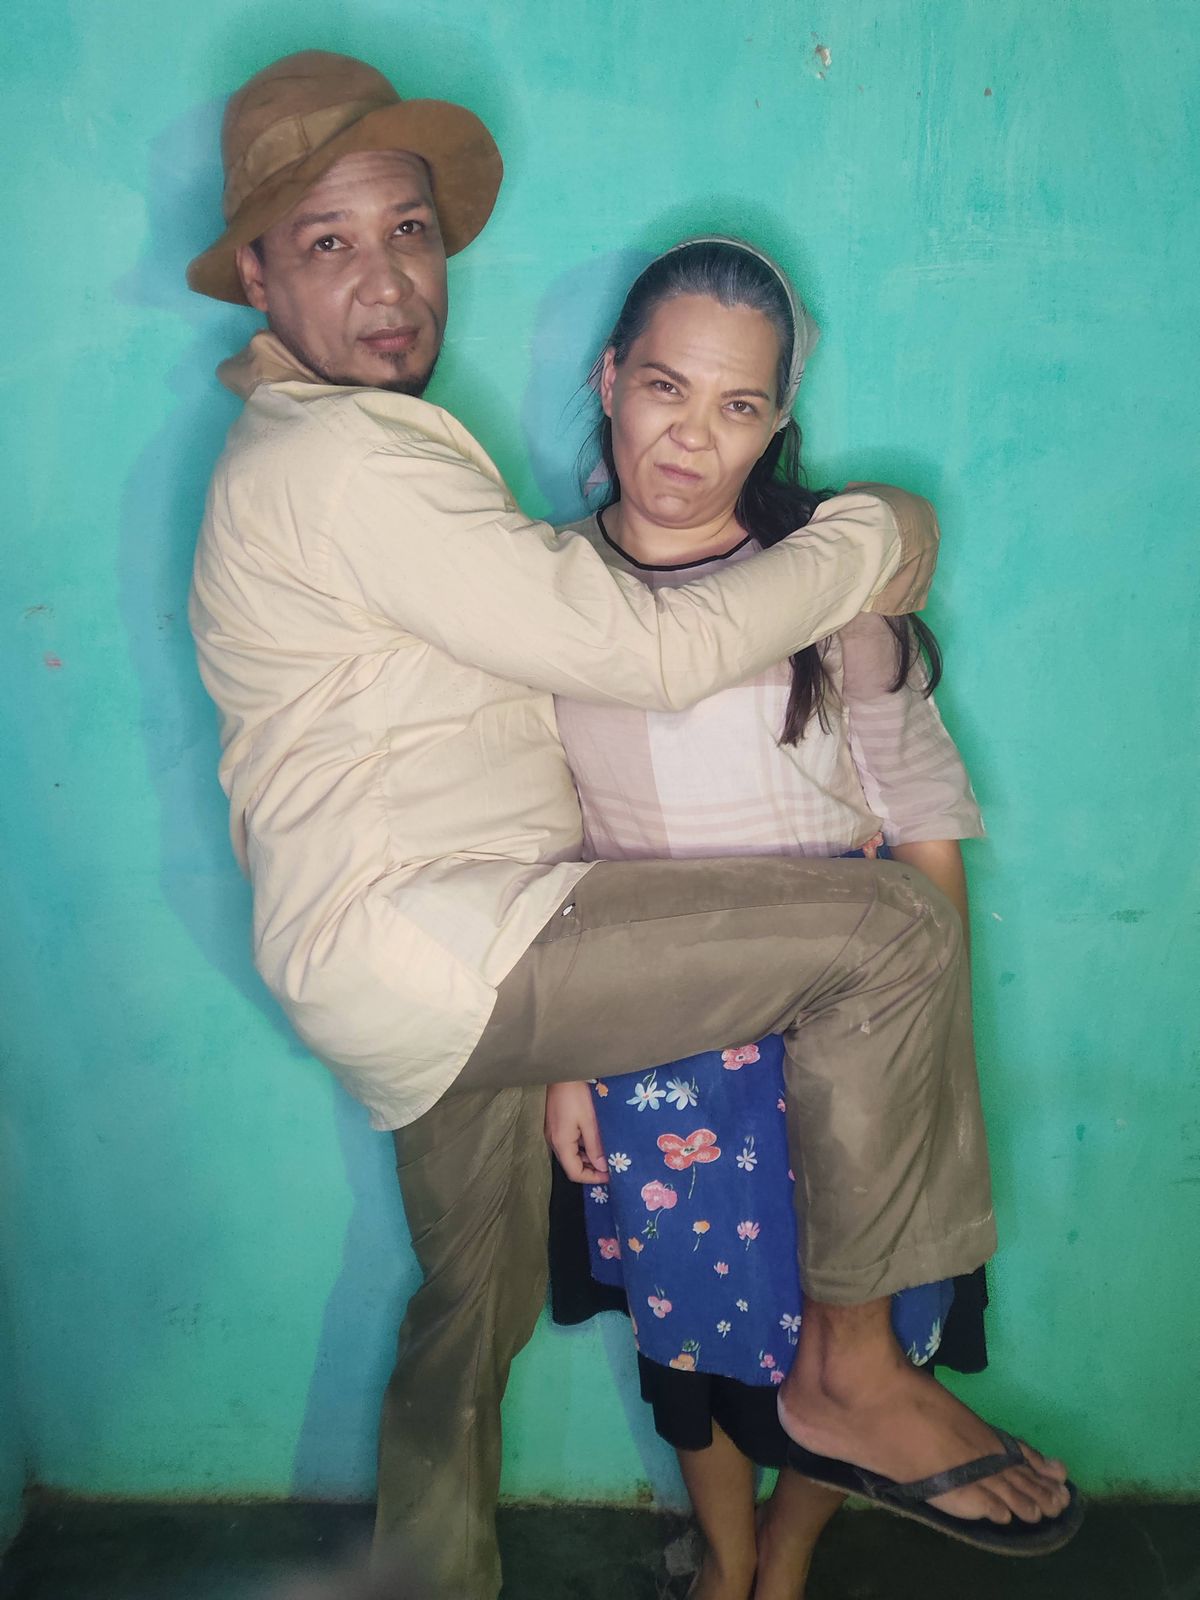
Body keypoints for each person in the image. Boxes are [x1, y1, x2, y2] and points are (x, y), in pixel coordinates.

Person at [186, 49, 1075, 1600]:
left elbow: (546, 731)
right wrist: (872, 532)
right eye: (327, 242)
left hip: (434, 964)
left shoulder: (354, 455)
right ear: (255, 274)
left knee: (467, 1314)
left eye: (409, 231)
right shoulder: (341, 463)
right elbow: (650, 656)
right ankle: (851, 1375)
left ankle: (426, 1580)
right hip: (454, 944)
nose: (387, 281)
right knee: (890, 939)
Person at [544, 237, 997, 1599]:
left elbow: (922, 820)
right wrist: (563, 1057)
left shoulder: (830, 588)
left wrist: (930, 1046)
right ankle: (727, 1562)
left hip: (838, 1039)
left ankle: (787, 1558)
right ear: (609, 378)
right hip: (652, 1048)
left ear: (776, 422)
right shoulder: (540, 597)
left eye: (737, 406)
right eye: (665, 388)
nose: (694, 438)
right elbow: (533, 847)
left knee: (850, 1340)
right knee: (687, 1335)